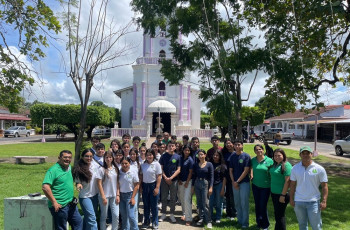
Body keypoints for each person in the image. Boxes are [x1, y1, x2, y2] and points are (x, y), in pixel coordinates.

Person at [290, 146, 328, 230]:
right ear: (300, 155)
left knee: (316, 226)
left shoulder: (319, 169)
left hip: (313, 202)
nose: (305, 155)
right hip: (299, 201)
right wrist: (291, 199)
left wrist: (324, 201)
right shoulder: (295, 168)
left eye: (308, 153)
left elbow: (324, 186)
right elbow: (292, 185)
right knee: (302, 225)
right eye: (303, 153)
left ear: (312, 154)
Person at [42, 150, 83, 230]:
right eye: (65, 157)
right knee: (61, 228)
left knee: (78, 222)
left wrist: (78, 183)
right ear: (59, 158)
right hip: (60, 206)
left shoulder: (69, 167)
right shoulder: (53, 170)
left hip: (71, 203)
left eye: (69, 157)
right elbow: (45, 187)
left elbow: (72, 178)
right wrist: (54, 202)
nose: (67, 159)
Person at [73, 149, 99, 230]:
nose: (89, 158)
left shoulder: (95, 165)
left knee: (89, 217)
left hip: (95, 196)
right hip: (85, 197)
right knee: (92, 218)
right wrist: (78, 184)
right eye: (86, 156)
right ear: (82, 157)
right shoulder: (79, 168)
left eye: (91, 156)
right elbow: (77, 182)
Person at [229, 140, 251, 228]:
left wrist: (237, 181)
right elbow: (230, 170)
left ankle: (245, 223)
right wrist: (233, 181)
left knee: (244, 203)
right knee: (237, 202)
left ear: (242, 145)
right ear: (234, 146)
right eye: (236, 145)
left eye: (239, 145)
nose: (237, 146)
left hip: (244, 183)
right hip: (234, 183)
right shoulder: (232, 156)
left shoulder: (246, 156)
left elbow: (246, 170)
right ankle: (240, 220)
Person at [251, 144, 274, 230]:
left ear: (263, 150)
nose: (258, 151)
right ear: (254, 151)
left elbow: (273, 172)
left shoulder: (270, 160)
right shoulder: (253, 160)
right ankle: (259, 222)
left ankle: (265, 224)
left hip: (266, 187)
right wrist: (251, 174)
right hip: (255, 185)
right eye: (256, 150)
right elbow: (250, 168)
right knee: (257, 204)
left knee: (263, 205)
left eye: (260, 149)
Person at [269, 149, 292, 230]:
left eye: (279, 155)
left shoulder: (287, 165)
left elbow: (287, 181)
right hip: (274, 193)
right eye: (275, 155)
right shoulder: (275, 164)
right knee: (277, 214)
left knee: (280, 215)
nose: (277, 157)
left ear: (283, 156)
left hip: (282, 194)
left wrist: (283, 195)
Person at [97, 150, 120, 230]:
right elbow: (99, 183)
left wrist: (118, 194)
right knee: (104, 216)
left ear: (112, 158)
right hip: (104, 196)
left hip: (114, 195)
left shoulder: (115, 168)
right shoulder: (101, 169)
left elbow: (117, 182)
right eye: (106, 157)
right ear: (104, 158)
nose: (108, 159)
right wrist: (103, 197)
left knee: (116, 215)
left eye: (110, 157)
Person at [159, 141, 181, 223]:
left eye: (172, 146)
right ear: (167, 147)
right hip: (164, 180)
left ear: (175, 147)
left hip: (174, 180)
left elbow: (179, 169)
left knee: (173, 198)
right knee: (164, 197)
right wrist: (165, 178)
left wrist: (171, 178)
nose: (171, 147)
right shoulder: (163, 156)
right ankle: (164, 213)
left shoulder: (178, 157)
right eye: (169, 146)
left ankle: (172, 213)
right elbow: (161, 168)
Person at [140, 149, 162, 230]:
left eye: (151, 155)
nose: (149, 156)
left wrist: (157, 188)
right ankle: (146, 221)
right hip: (145, 186)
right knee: (146, 205)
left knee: (154, 206)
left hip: (153, 185)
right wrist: (141, 187)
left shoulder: (156, 164)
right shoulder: (143, 164)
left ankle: (155, 222)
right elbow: (141, 176)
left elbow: (159, 176)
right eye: (147, 155)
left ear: (153, 155)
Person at [192, 149, 214, 229]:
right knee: (199, 202)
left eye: (202, 154)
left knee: (206, 203)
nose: (200, 156)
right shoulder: (195, 164)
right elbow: (194, 176)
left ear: (205, 155)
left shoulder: (209, 164)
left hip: (205, 183)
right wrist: (193, 186)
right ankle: (201, 218)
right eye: (199, 155)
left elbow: (211, 177)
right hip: (197, 183)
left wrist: (211, 187)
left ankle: (208, 221)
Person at [119, 157, 140, 230]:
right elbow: (117, 185)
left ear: (129, 163)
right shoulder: (119, 172)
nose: (124, 165)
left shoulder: (133, 171)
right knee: (124, 216)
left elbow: (137, 185)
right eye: (122, 163)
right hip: (121, 196)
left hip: (130, 195)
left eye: (126, 163)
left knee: (131, 216)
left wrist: (133, 198)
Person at [177, 144, 194, 226]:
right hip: (181, 181)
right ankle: (184, 214)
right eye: (185, 150)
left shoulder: (190, 160)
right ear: (183, 151)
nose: (187, 152)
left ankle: (189, 218)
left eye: (188, 150)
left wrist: (187, 182)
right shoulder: (180, 158)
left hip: (188, 182)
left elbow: (191, 172)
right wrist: (179, 179)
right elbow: (178, 169)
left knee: (187, 199)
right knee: (181, 199)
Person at [209, 151, 226, 224]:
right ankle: (211, 217)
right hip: (211, 185)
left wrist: (223, 189)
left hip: (220, 185)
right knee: (210, 202)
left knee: (219, 202)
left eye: (217, 155)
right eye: (214, 155)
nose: (215, 156)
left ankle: (218, 217)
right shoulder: (209, 164)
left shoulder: (223, 166)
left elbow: (224, 178)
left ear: (220, 157)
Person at [222, 138, 237, 221]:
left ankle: (234, 213)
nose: (228, 145)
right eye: (226, 143)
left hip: (235, 178)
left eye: (230, 143)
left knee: (233, 196)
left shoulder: (236, 154)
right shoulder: (224, 154)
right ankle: (228, 212)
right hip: (226, 177)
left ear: (233, 144)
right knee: (227, 196)